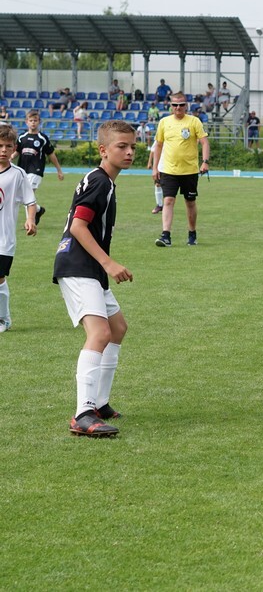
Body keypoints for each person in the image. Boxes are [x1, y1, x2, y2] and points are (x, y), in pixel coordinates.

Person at [53, 120, 136, 437]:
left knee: (117, 328)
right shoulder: (100, 182)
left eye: (132, 147)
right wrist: (108, 262)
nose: (129, 152)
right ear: (103, 150)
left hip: (89, 267)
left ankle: (99, 403)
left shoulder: (104, 181)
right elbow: (77, 227)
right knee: (100, 333)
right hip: (78, 265)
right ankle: (82, 414)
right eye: (121, 147)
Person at [151, 94, 210, 248]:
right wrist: (155, 168)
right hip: (169, 170)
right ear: (171, 106)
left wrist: (205, 162)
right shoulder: (164, 122)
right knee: (168, 200)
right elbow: (158, 145)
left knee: (190, 202)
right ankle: (166, 236)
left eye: (181, 105)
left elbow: (204, 142)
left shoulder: (194, 121)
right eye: (175, 105)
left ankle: (192, 233)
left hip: (189, 170)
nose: (178, 108)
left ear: (186, 106)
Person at [0, 124, 38, 333]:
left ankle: (3, 318)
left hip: (4, 239)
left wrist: (30, 220)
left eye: (7, 146)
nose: (3, 150)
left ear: (14, 148)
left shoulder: (18, 174)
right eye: (0, 146)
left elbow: (30, 201)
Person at [14, 109, 64, 225]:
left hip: (36, 170)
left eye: (35, 120)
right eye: (30, 120)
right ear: (26, 122)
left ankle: (29, 222)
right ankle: (38, 210)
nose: (33, 123)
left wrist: (59, 170)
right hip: (22, 170)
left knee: (29, 194)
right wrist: (11, 157)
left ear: (39, 122)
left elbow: (51, 154)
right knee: (22, 197)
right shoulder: (22, 137)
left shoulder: (42, 138)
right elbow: (17, 151)